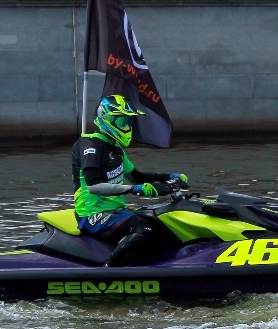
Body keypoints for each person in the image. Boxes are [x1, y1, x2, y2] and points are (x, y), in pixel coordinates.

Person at [71, 94, 189, 267]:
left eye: (128, 122)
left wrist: (169, 177)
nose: (126, 126)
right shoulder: (91, 146)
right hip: (91, 215)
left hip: (115, 210)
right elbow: (94, 186)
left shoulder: (116, 149)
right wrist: (134, 189)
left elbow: (138, 177)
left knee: (162, 221)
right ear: (107, 120)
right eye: (121, 122)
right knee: (144, 228)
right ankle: (108, 270)